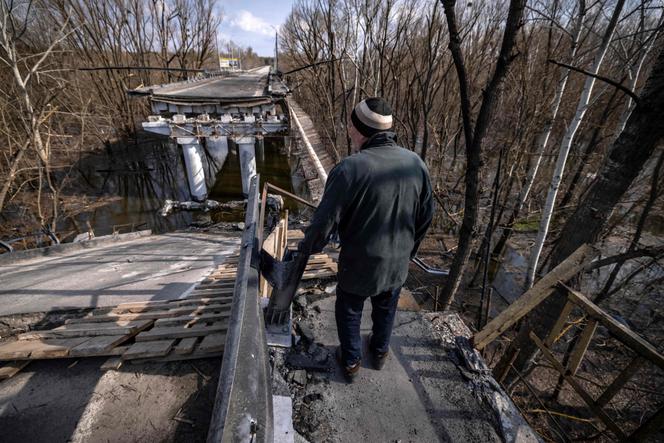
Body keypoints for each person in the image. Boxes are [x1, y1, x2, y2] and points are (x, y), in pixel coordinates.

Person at [297, 97, 434, 382]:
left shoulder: (350, 169)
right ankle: (381, 352)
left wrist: (305, 251)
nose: (348, 129)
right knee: (386, 306)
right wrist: (407, 252)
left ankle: (350, 362)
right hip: (396, 263)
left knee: (349, 308)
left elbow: (323, 224)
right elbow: (425, 217)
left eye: (351, 124)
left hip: (360, 262)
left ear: (361, 130)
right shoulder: (415, 164)